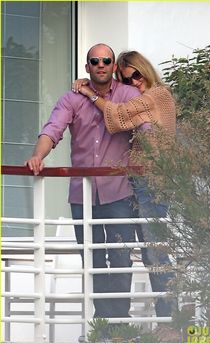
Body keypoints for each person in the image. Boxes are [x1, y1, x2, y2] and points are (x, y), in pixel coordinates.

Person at [25, 44, 151, 319]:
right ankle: (103, 319)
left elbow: (147, 128)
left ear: (114, 66)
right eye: (95, 61)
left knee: (119, 257)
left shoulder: (128, 94)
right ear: (87, 67)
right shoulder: (71, 98)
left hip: (119, 192)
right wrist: (37, 155)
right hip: (82, 195)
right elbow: (53, 129)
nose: (101, 64)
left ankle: (119, 320)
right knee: (91, 259)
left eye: (106, 60)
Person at [72, 50, 176, 318]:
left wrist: (91, 94)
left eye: (136, 75)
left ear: (146, 71)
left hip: (153, 182)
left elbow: (116, 117)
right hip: (138, 182)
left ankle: (170, 318)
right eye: (126, 80)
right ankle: (164, 317)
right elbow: (119, 118)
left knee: (155, 252)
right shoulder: (141, 102)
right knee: (147, 251)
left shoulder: (157, 96)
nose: (133, 83)